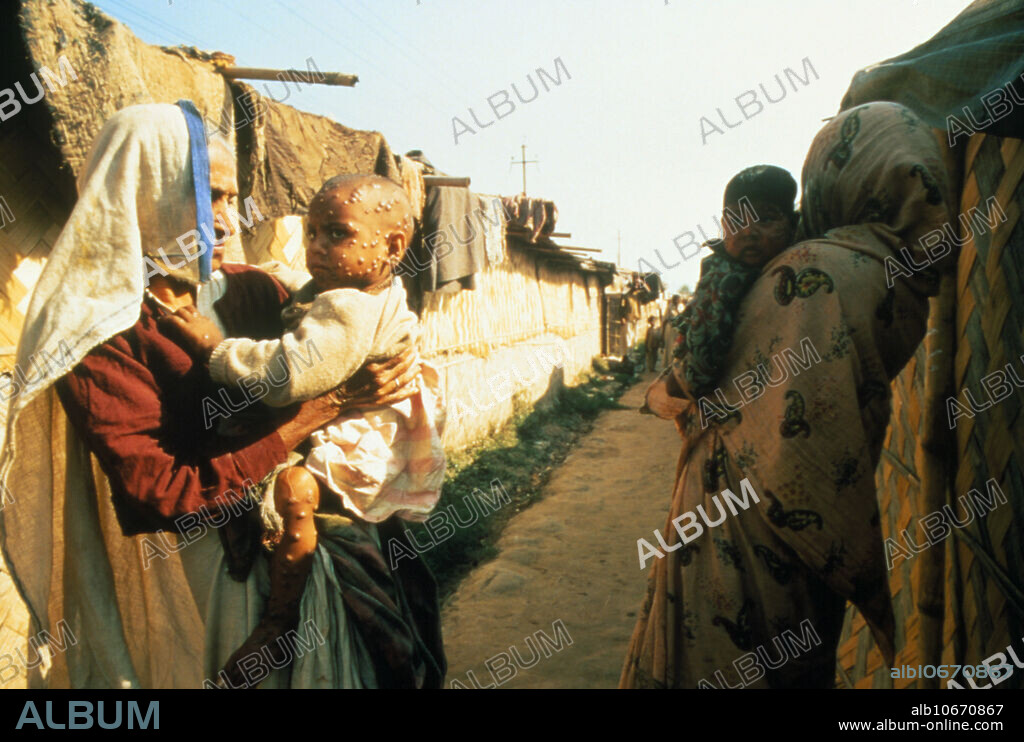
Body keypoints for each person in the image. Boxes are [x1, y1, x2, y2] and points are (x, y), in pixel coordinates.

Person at [0, 103, 444, 689]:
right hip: (212, 576)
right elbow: (158, 491)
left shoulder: (243, 291)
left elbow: (348, 322)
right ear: (146, 192)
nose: (232, 222)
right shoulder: (100, 337)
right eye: (213, 198)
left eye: (234, 199)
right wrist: (320, 412)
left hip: (315, 542)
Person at [621, 102, 954, 688]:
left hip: (741, 519)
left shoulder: (808, 272)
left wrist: (666, 394)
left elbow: (717, 389)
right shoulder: (892, 276)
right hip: (817, 525)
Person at [168, 174, 446, 686]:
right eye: (312, 231)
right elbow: (308, 296)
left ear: (393, 245)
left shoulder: (348, 307)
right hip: (377, 441)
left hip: (351, 451)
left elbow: (285, 375)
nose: (316, 248)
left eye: (336, 234)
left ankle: (278, 619)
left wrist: (215, 349)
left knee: (292, 489)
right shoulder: (365, 288)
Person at [670, 165, 799, 397]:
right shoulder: (718, 278)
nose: (748, 231)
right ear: (723, 224)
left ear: (793, 223)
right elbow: (695, 370)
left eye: (766, 219)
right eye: (736, 220)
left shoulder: (800, 269)